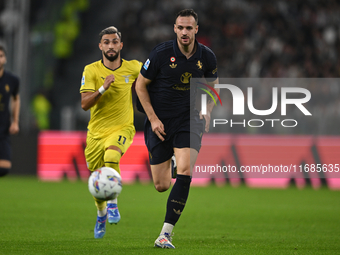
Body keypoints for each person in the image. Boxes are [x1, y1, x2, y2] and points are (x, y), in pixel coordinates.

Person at [135, 9, 219, 249]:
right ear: (175, 29)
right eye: (180, 28)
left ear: (196, 30)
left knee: (185, 171)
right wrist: (152, 119)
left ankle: (165, 234)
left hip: (189, 120)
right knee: (161, 185)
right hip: (159, 121)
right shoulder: (161, 54)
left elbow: (213, 86)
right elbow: (140, 86)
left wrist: (207, 109)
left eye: (189, 28)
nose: (184, 32)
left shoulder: (207, 56)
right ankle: (171, 162)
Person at [80, 26, 142, 239]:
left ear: (121, 45)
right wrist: (103, 88)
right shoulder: (91, 70)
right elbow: (84, 104)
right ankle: (101, 214)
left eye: (114, 42)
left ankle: (113, 205)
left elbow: (155, 75)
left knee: (112, 155)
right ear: (100, 46)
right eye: (106, 42)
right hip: (96, 133)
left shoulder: (134, 68)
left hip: (123, 127)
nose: (111, 45)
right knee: (96, 181)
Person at [0, 44, 20, 177]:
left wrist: (15, 121)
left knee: (5, 167)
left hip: (3, 127)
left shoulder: (12, 80)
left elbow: (16, 99)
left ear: (5, 59)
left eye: (0, 56)